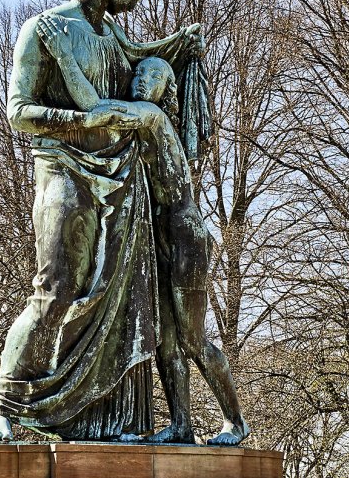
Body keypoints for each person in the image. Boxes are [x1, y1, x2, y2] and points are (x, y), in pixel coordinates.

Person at [0, 0, 206, 442]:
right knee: (57, 285)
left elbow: (143, 56)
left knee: (124, 293)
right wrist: (80, 122)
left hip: (121, 169)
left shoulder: (113, 31)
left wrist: (180, 45)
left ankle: (109, 420)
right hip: (62, 163)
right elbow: (18, 111)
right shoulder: (45, 28)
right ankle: (5, 405)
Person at [38, 32, 248, 445]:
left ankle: (235, 422)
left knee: (191, 339)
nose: (139, 81)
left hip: (185, 238)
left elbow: (96, 109)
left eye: (150, 76)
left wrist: (64, 57)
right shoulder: (138, 126)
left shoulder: (153, 118)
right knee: (167, 343)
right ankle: (182, 426)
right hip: (162, 236)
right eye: (137, 74)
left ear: (165, 89)